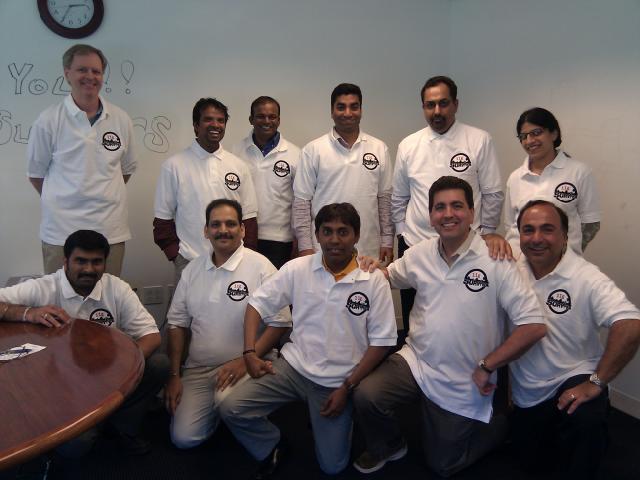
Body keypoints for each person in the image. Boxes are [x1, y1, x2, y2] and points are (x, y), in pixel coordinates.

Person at [353, 176, 545, 477]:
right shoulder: (419, 254)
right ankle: (390, 444)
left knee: (443, 465)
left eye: (457, 206)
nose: (448, 214)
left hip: (465, 375)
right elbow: (389, 276)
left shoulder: (497, 259)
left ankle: (500, 425)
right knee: (366, 396)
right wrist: (370, 266)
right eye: (440, 207)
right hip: (417, 361)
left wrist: (488, 365)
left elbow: (533, 325)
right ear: (431, 216)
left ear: (471, 212)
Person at [220, 203, 397, 478]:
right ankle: (274, 444)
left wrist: (347, 387)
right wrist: (249, 353)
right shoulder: (298, 268)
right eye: (327, 231)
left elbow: (382, 343)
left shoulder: (373, 281)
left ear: (357, 236)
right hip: (293, 368)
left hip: (337, 381)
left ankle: (348, 415)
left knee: (332, 467)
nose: (334, 239)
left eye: (343, 232)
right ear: (317, 235)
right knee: (230, 407)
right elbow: (255, 304)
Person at [0, 230, 169, 456]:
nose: (89, 269)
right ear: (65, 261)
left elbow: (152, 336)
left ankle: (123, 427)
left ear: (105, 263)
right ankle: (93, 426)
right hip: (62, 384)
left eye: (96, 262)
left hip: (109, 375)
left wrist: (121, 369)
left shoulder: (117, 287)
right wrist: (27, 313)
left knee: (159, 364)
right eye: (80, 261)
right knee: (77, 445)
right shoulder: (45, 286)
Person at [510, 200, 640, 479]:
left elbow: (630, 324)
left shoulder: (586, 276)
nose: (536, 238)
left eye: (547, 229)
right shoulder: (511, 270)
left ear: (565, 236)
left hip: (574, 377)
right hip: (528, 390)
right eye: (528, 230)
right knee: (530, 463)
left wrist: (596, 382)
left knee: (585, 425)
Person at [164, 199, 291, 449]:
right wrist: (175, 375)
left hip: (248, 365)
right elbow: (176, 324)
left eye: (231, 224)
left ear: (242, 229)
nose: (223, 230)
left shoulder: (261, 266)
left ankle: (264, 436)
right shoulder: (192, 270)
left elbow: (281, 321)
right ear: (206, 231)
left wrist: (246, 359)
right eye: (216, 224)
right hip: (199, 370)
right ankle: (223, 415)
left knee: (228, 403)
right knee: (183, 439)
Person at [391, 76, 507, 334]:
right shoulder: (408, 145)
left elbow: (493, 193)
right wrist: (401, 234)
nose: (437, 111)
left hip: (464, 249)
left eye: (443, 103)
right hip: (415, 244)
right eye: (430, 105)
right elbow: (398, 197)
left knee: (462, 320)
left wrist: (487, 232)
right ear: (423, 107)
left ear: (456, 104)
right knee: (414, 323)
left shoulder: (479, 140)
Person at [27, 44, 136, 277]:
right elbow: (36, 175)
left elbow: (125, 169)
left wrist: (102, 193)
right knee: (60, 296)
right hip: (61, 232)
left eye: (96, 71)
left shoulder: (121, 119)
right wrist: (66, 199)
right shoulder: (48, 120)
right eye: (82, 70)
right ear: (67, 73)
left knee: (106, 297)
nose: (90, 76)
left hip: (110, 229)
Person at [154, 98, 259, 283]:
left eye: (220, 120)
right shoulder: (174, 166)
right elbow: (162, 220)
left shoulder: (238, 166)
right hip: (189, 262)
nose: (215, 125)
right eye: (208, 119)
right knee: (186, 304)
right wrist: (176, 256)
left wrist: (246, 255)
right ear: (196, 125)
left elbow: (249, 218)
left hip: (234, 262)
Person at [293, 83, 394, 261]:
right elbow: (302, 203)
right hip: (323, 249)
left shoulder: (379, 148)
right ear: (332, 111)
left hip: (368, 249)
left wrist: (387, 240)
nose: (348, 113)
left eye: (354, 107)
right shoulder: (313, 150)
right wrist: (305, 247)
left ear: (361, 110)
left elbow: (385, 200)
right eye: (341, 107)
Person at [504, 107, 601, 256]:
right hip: (519, 262)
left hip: (564, 262)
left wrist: (566, 254)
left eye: (536, 133)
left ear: (554, 134)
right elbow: (510, 225)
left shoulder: (579, 172)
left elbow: (591, 224)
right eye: (523, 136)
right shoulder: (515, 178)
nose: (529, 141)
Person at [231, 96, 300, 268]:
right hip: (242, 237)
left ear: (279, 120)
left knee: (276, 285)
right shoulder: (236, 152)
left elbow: (300, 201)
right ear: (251, 119)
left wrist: (299, 238)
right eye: (261, 116)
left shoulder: (295, 154)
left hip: (280, 240)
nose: (267, 121)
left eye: (272, 116)